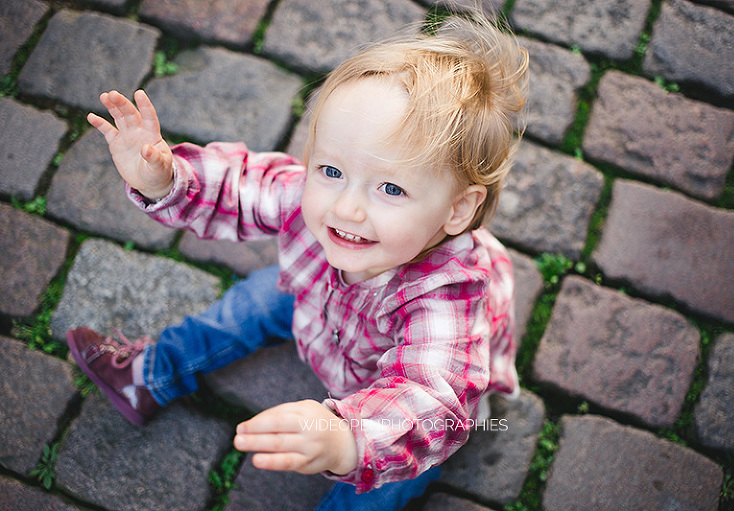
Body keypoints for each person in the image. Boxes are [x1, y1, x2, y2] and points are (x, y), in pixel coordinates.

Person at [67, 13, 528, 511]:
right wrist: (165, 179)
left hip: (390, 391)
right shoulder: (315, 201)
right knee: (253, 301)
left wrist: (346, 439)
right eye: (331, 169)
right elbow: (240, 188)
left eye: (391, 188)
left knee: (386, 484)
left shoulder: (447, 293)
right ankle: (151, 375)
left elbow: (432, 397)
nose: (345, 208)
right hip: (319, 303)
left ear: (458, 209)